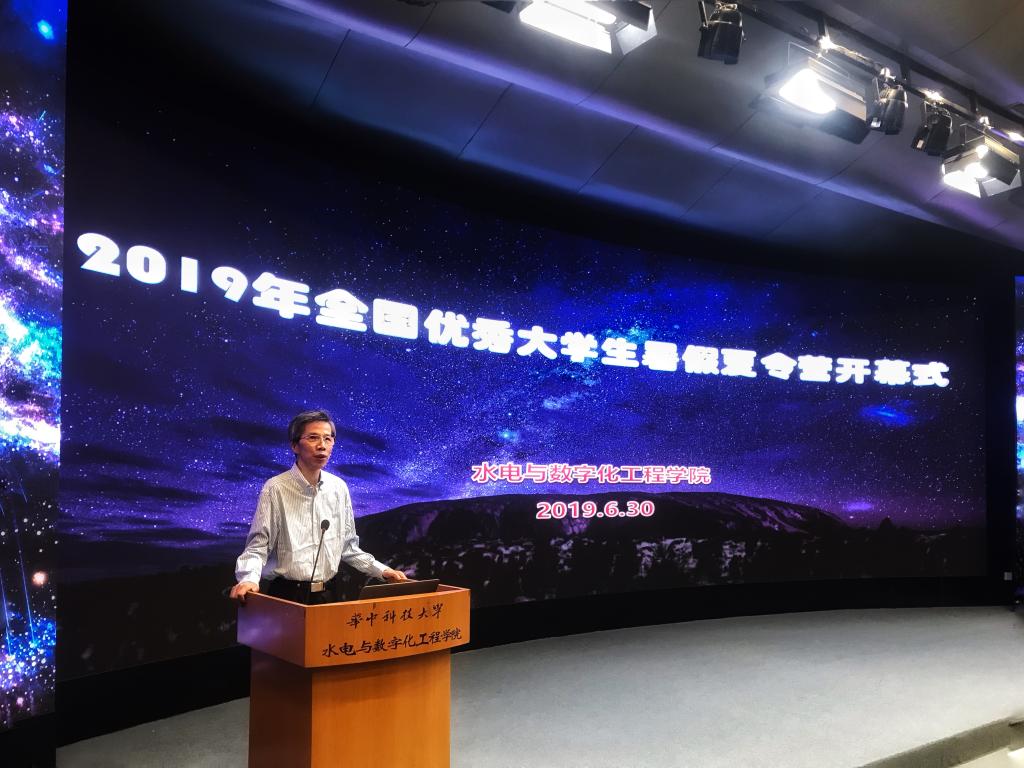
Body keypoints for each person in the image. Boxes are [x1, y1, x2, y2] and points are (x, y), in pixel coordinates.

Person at [230, 409, 407, 605]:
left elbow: (348, 547)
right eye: (313, 438)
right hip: (288, 595)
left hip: (328, 594)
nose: (322, 446)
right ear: (295, 445)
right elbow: (258, 546)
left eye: (328, 439)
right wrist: (249, 579)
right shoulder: (275, 488)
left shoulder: (339, 488)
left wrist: (383, 571)